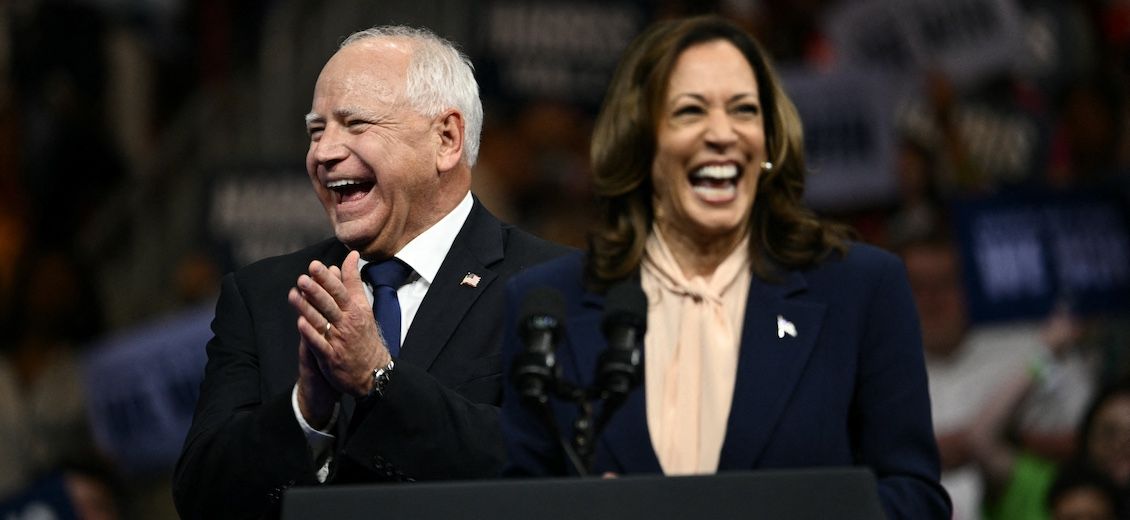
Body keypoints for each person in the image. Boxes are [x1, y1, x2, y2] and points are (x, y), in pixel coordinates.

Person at [499, 15, 951, 519]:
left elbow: (915, 499)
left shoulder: (861, 288)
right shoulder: (548, 303)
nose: (723, 133)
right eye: (691, 111)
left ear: (768, 142)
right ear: (642, 142)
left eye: (744, 110)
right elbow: (520, 501)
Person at [173, 25, 568, 519]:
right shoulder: (265, 294)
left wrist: (379, 379)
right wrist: (305, 414)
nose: (323, 152)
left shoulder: (551, 287)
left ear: (446, 138)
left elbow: (552, 471)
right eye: (316, 130)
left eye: (355, 124)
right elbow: (200, 496)